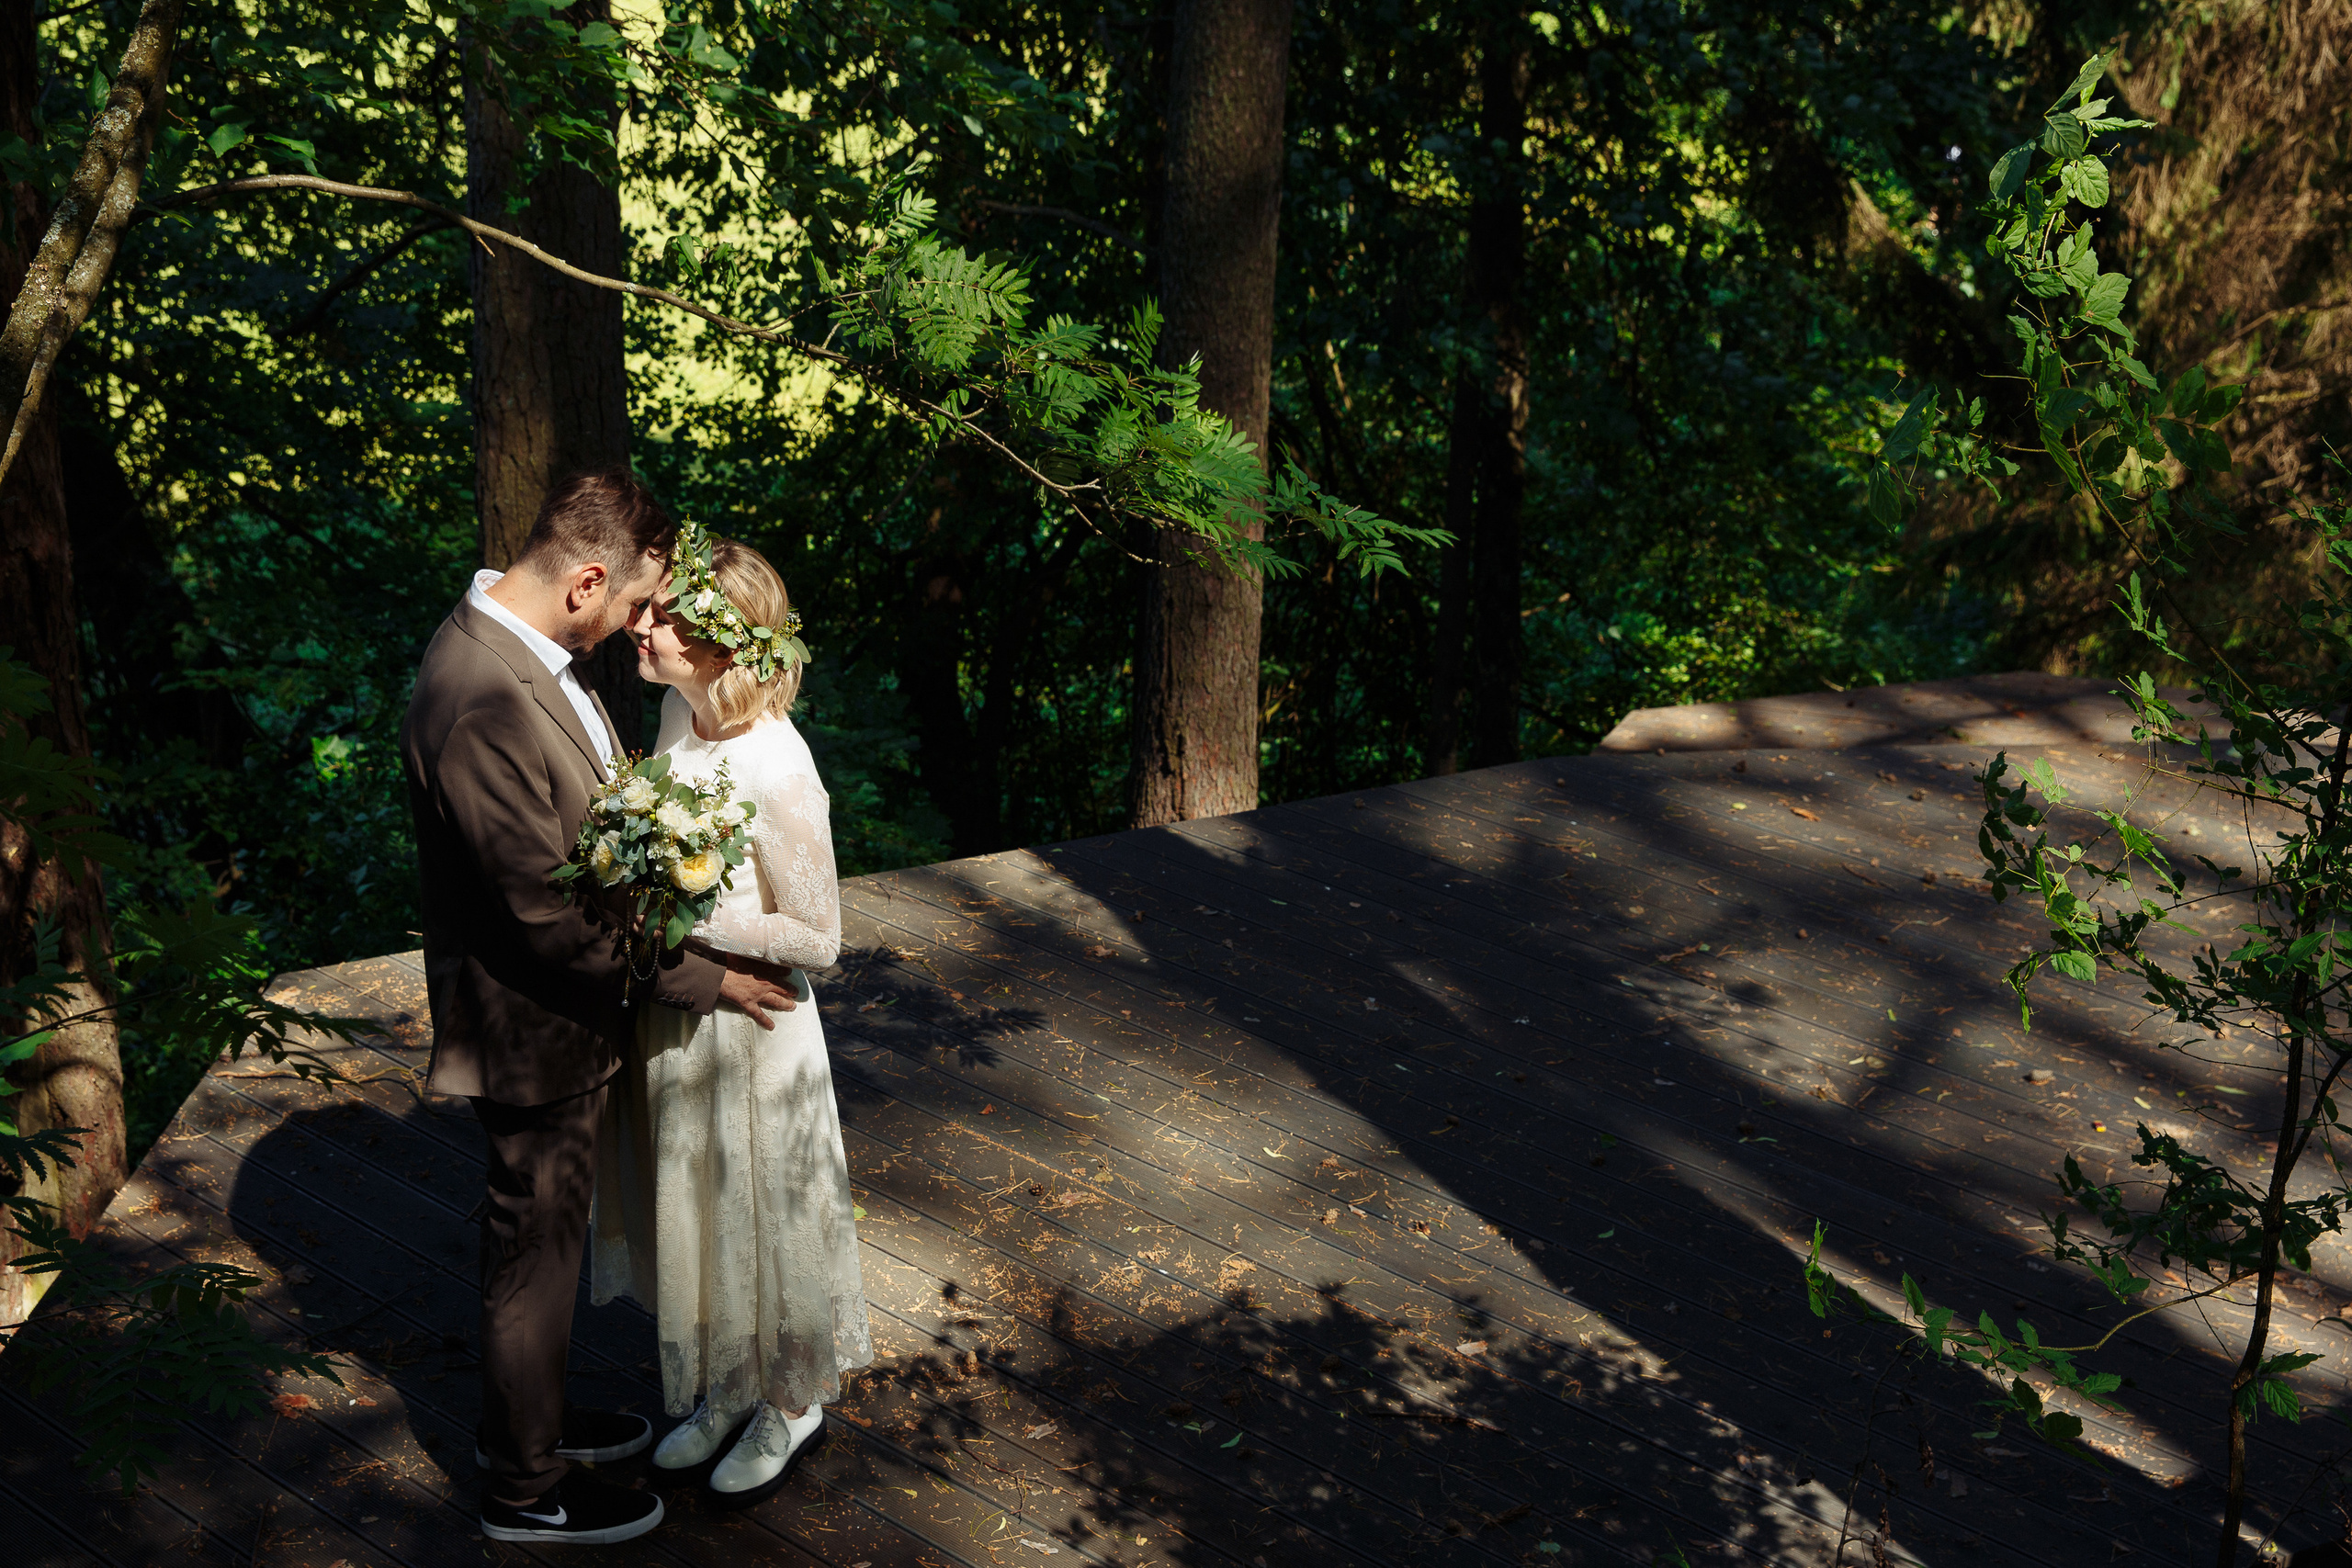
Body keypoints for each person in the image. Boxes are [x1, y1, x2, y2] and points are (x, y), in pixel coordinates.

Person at [401, 471, 798, 1546]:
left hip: (566, 1014)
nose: (641, 628)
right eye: (633, 605)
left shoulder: (526, 651)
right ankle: (525, 1494)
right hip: (531, 1029)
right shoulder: (475, 695)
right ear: (586, 581)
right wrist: (701, 979)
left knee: (543, 1251)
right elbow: (546, 921)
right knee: (535, 1260)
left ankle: (527, 1428)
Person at [591, 522, 873, 1508]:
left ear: (726, 645)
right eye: (653, 610)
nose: (645, 624)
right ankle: (725, 1385)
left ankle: (792, 1401)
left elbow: (821, 937)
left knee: (766, 1211)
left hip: (755, 1029)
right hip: (679, 1015)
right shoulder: (679, 722)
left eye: (669, 618)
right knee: (701, 1205)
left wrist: (702, 913)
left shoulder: (779, 768)